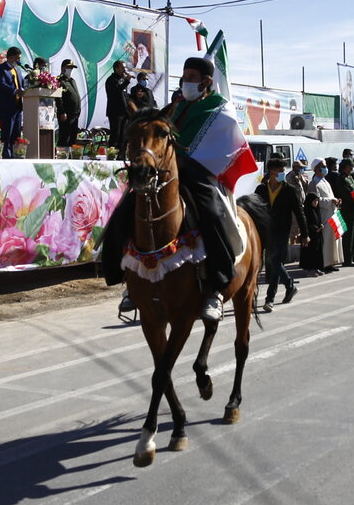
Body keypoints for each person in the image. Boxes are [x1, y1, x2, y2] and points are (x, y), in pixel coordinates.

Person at [104, 56, 249, 322]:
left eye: (191, 78)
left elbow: (224, 146)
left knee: (213, 215)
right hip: (166, 173)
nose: (186, 83)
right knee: (124, 210)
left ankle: (217, 287)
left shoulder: (220, 109)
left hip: (199, 173)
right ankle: (125, 278)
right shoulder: (177, 106)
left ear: (206, 81)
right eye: (184, 78)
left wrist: (190, 160)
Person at [255, 158, 309, 309]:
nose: (282, 174)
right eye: (279, 172)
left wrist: (305, 234)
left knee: (275, 263)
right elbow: (255, 210)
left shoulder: (289, 190)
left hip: (282, 231)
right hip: (266, 231)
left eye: (283, 171)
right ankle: (290, 286)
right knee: (273, 262)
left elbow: (299, 212)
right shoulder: (261, 189)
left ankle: (269, 299)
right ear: (271, 173)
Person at [308, 159, 343, 273]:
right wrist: (330, 201)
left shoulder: (325, 181)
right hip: (323, 215)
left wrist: (336, 201)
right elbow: (315, 200)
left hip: (331, 213)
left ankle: (331, 262)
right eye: (323, 166)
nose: (325, 168)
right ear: (317, 169)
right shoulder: (314, 183)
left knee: (333, 240)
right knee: (326, 241)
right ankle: (324, 263)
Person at [0, 47, 25, 158]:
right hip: (6, 106)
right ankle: (6, 156)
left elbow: (22, 85)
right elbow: (2, 85)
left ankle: (14, 155)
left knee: (16, 133)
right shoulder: (1, 69)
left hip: (17, 107)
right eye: (18, 58)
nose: (19, 61)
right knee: (7, 133)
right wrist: (15, 91)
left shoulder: (18, 70)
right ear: (11, 57)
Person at [105, 60, 132, 151]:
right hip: (115, 112)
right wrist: (126, 81)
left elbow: (124, 96)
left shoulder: (122, 80)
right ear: (116, 69)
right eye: (122, 68)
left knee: (123, 136)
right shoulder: (111, 80)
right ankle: (112, 154)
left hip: (124, 112)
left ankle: (121, 155)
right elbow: (116, 91)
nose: (124, 70)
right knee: (115, 135)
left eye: (125, 68)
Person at [57, 59, 82, 147]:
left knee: (73, 137)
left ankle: (71, 157)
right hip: (66, 114)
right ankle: (62, 155)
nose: (70, 69)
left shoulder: (72, 80)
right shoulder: (59, 80)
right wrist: (62, 111)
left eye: (71, 68)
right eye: (68, 67)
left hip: (75, 114)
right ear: (63, 67)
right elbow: (58, 98)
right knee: (65, 136)